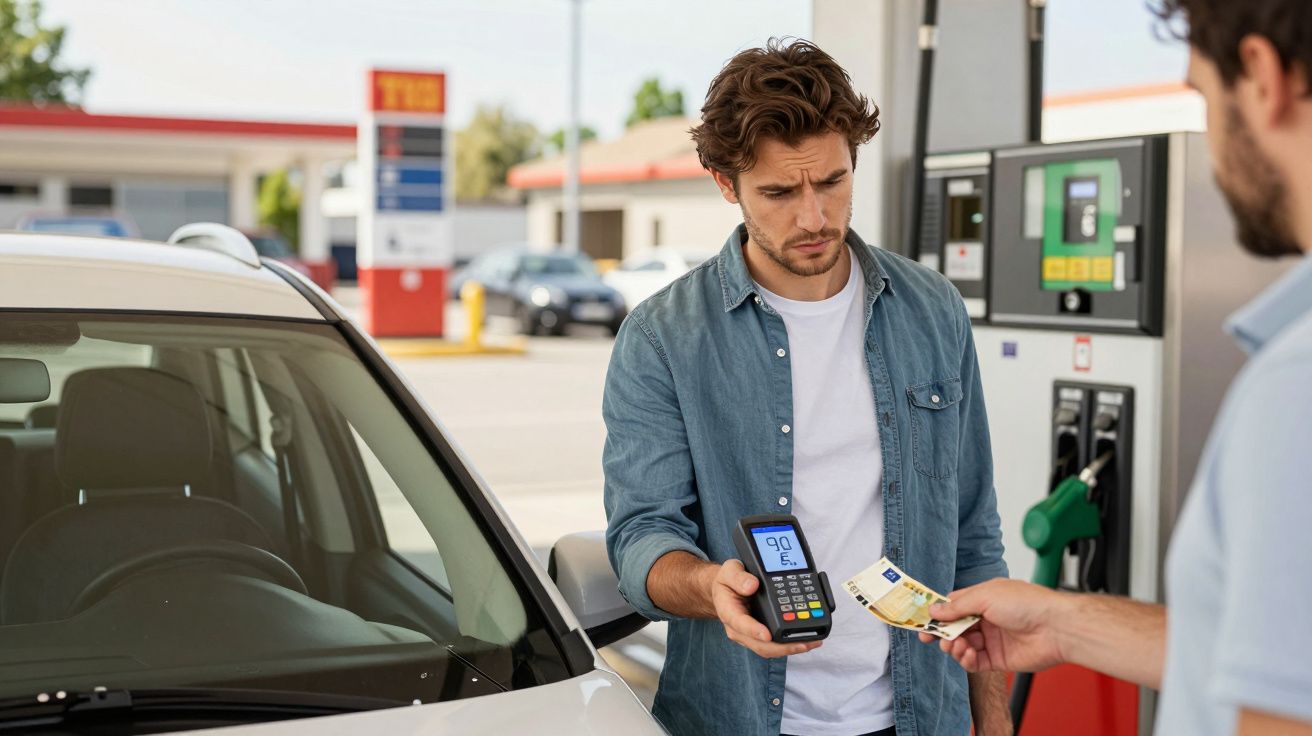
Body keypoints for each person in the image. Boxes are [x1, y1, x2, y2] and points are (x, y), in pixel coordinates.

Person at [919, 2, 1312, 734]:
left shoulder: (1296, 386)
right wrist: (1064, 622)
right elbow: (1265, 650)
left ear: (1262, 76)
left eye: (1202, 94)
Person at [603, 39, 1010, 736]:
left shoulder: (932, 310)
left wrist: (995, 722)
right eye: (781, 192)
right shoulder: (663, 338)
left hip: (918, 715)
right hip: (738, 717)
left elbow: (975, 536)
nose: (814, 216)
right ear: (725, 184)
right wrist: (710, 588)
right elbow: (643, 534)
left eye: (831, 181)